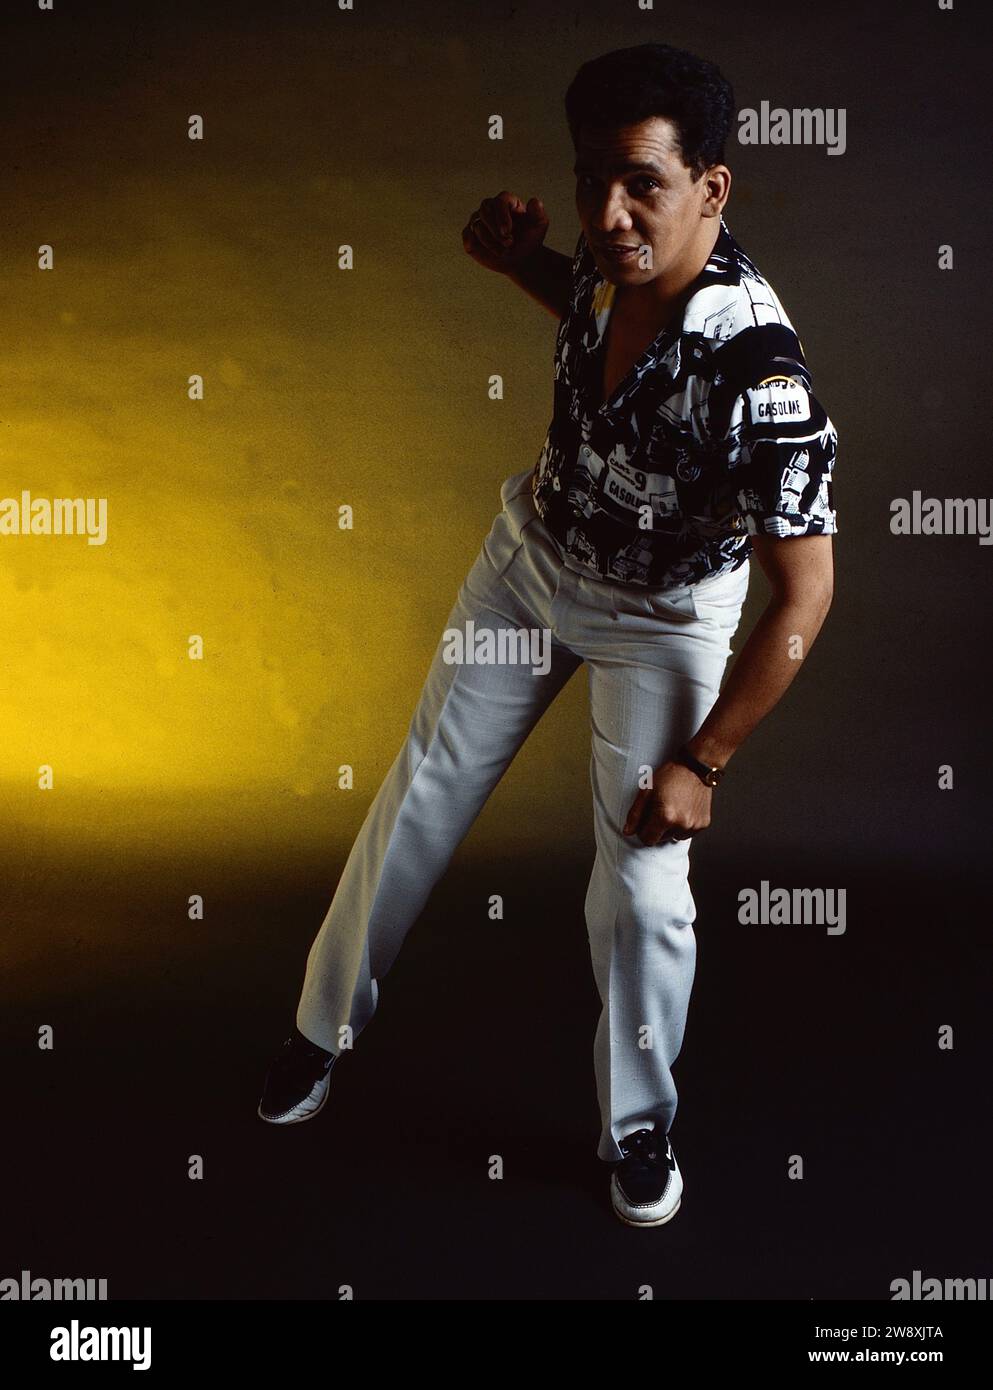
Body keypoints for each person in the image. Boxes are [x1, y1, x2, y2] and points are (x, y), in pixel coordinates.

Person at [258, 42, 838, 1229]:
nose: (611, 215)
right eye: (590, 183)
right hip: (528, 570)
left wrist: (704, 760)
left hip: (660, 621)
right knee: (422, 790)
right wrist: (529, 259)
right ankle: (318, 1035)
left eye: (643, 185)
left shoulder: (760, 370)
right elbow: (588, 294)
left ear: (712, 190)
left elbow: (807, 593)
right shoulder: (605, 254)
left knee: (640, 883)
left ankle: (636, 1125)